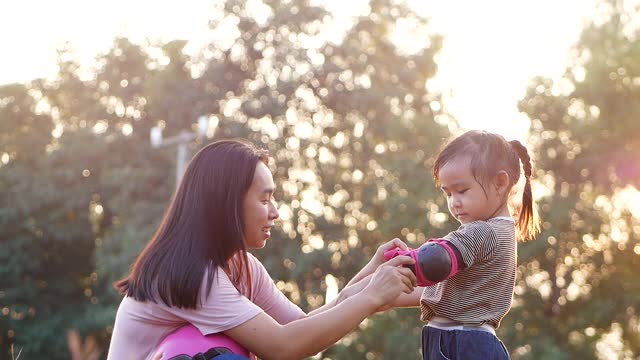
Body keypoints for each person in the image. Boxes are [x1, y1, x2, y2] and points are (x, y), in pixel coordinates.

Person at [106, 139, 417, 360]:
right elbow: (284, 347)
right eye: (265, 199)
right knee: (208, 352)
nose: (275, 212)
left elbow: (302, 328)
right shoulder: (191, 273)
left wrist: (372, 278)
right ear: (227, 203)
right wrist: (372, 294)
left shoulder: (243, 267)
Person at [347, 130, 540, 359]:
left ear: (500, 183)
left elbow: (435, 261)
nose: (454, 203)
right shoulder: (498, 231)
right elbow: (441, 292)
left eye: (462, 190)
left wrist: (402, 262)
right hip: (461, 342)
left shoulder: (483, 232)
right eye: (448, 194)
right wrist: (372, 293)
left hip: (464, 346)